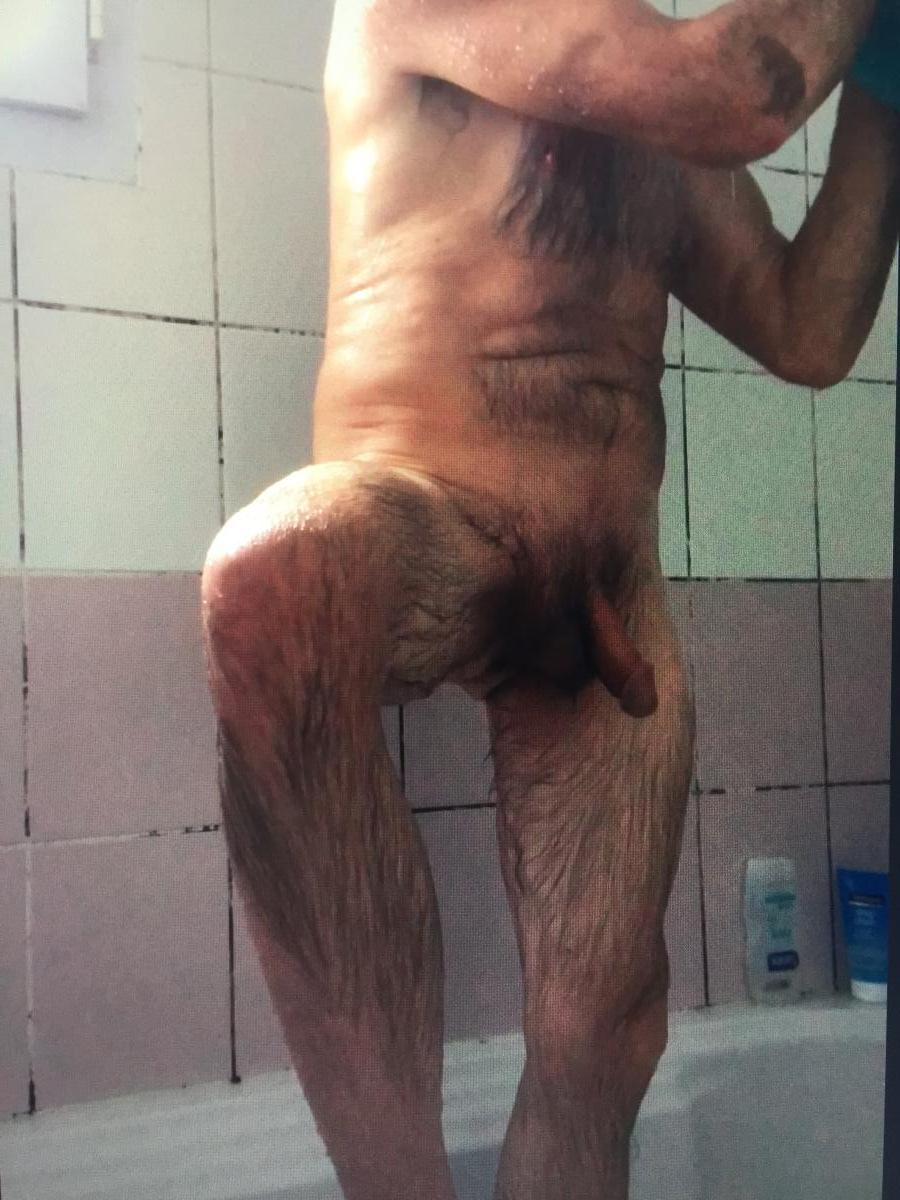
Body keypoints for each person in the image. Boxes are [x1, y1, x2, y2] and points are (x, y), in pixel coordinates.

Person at [200, 0, 899, 1197]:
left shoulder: (661, 131)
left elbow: (811, 328)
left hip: (605, 597)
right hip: (421, 508)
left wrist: (885, 79)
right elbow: (740, 90)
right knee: (273, 573)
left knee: (601, 1035)